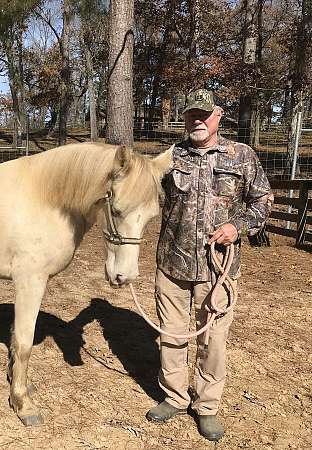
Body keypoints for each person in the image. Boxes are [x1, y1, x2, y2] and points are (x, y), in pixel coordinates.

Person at [146, 89, 274, 441]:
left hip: (218, 270)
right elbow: (142, 193)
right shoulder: (171, 158)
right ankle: (173, 395)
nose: (197, 121)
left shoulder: (241, 155)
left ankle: (206, 406)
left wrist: (239, 226)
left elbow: (263, 200)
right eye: (191, 114)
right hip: (172, 263)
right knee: (171, 334)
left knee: (213, 340)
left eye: (204, 114)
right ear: (185, 118)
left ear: (218, 115)